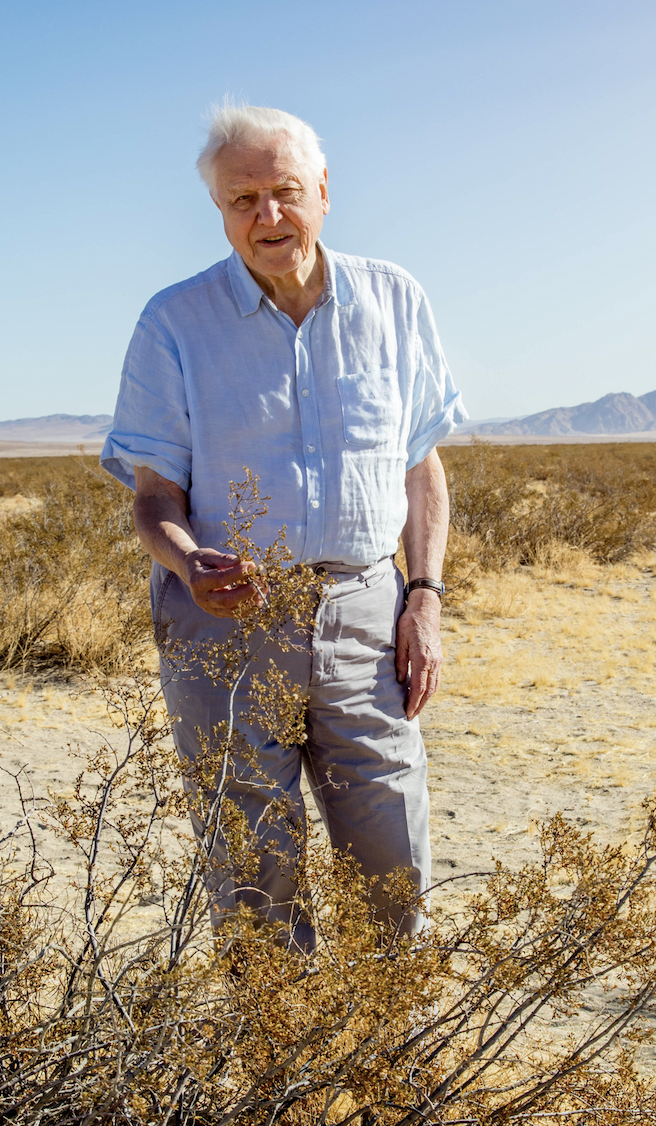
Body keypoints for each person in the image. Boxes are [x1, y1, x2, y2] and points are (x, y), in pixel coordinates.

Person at [101, 105, 466, 950]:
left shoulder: (395, 300)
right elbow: (153, 496)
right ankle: (281, 1073)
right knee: (253, 876)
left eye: (285, 193)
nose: (267, 217)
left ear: (325, 193)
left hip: (367, 617)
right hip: (224, 624)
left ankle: (394, 1066)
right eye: (243, 200)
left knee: (392, 863)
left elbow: (420, 468)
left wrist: (425, 600)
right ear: (221, 212)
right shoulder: (174, 323)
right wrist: (191, 563)